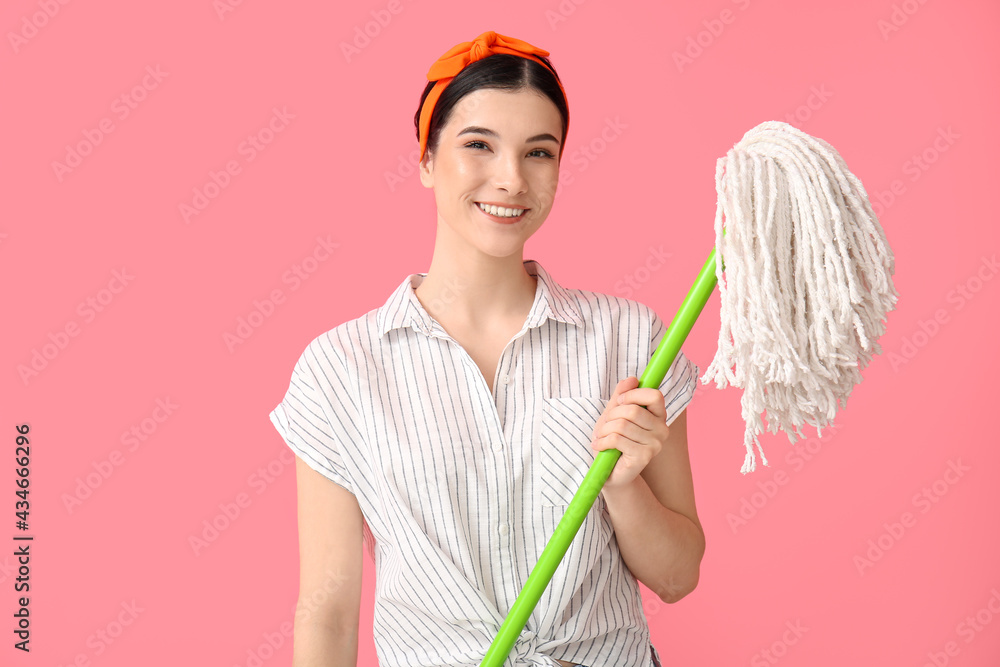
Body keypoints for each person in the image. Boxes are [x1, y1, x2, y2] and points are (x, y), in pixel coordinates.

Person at [269, 30, 704, 667]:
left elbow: (678, 576)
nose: (511, 179)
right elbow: (329, 613)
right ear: (425, 159)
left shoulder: (631, 340)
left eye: (539, 152)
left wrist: (624, 487)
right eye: (478, 145)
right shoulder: (338, 370)